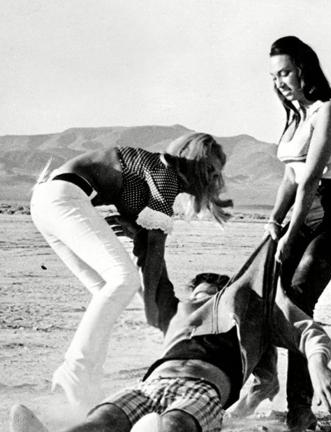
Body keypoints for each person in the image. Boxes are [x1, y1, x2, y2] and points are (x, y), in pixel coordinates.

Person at [9, 235, 331, 432]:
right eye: (194, 298)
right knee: (107, 419)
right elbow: (153, 275)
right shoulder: (176, 314)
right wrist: (144, 235)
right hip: (151, 385)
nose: (197, 305)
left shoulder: (254, 316)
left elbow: (304, 336)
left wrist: (317, 364)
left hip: (204, 390)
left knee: (175, 426)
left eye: (208, 298)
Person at [30, 133, 232, 414]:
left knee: (106, 291)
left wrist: (137, 233)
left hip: (48, 201)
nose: (212, 177)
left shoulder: (156, 173)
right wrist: (151, 307)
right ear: (193, 160)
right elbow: (154, 249)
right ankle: (74, 372)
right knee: (122, 280)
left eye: (216, 173)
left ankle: (86, 388)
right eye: (209, 168)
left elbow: (146, 244)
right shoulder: (166, 176)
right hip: (64, 197)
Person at [232, 36, 331, 423]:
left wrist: (292, 234)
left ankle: (300, 411)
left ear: (305, 70)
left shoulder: (330, 110)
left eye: (286, 72)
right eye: (274, 76)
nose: (280, 82)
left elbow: (311, 179)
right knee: (266, 294)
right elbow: (291, 176)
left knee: (300, 299)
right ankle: (263, 382)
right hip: (303, 213)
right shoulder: (296, 118)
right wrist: (275, 219)